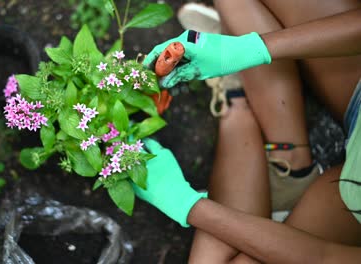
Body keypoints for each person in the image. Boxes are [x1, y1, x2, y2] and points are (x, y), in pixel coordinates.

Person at [134, 1, 361, 262]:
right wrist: (252, 49)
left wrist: (188, 205)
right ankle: (291, 164)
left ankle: (237, 97)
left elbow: (324, 258)